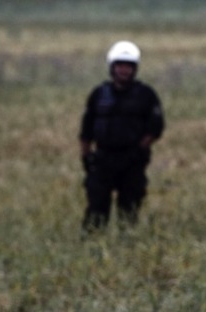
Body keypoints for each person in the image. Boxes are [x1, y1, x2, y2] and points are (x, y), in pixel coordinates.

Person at [78, 40, 164, 233]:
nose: (124, 71)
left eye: (128, 67)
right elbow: (86, 129)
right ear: (112, 67)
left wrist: (139, 150)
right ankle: (93, 248)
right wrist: (86, 156)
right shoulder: (99, 94)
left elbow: (156, 127)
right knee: (96, 209)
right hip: (103, 159)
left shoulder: (146, 95)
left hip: (132, 161)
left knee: (129, 210)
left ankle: (127, 247)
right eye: (120, 66)